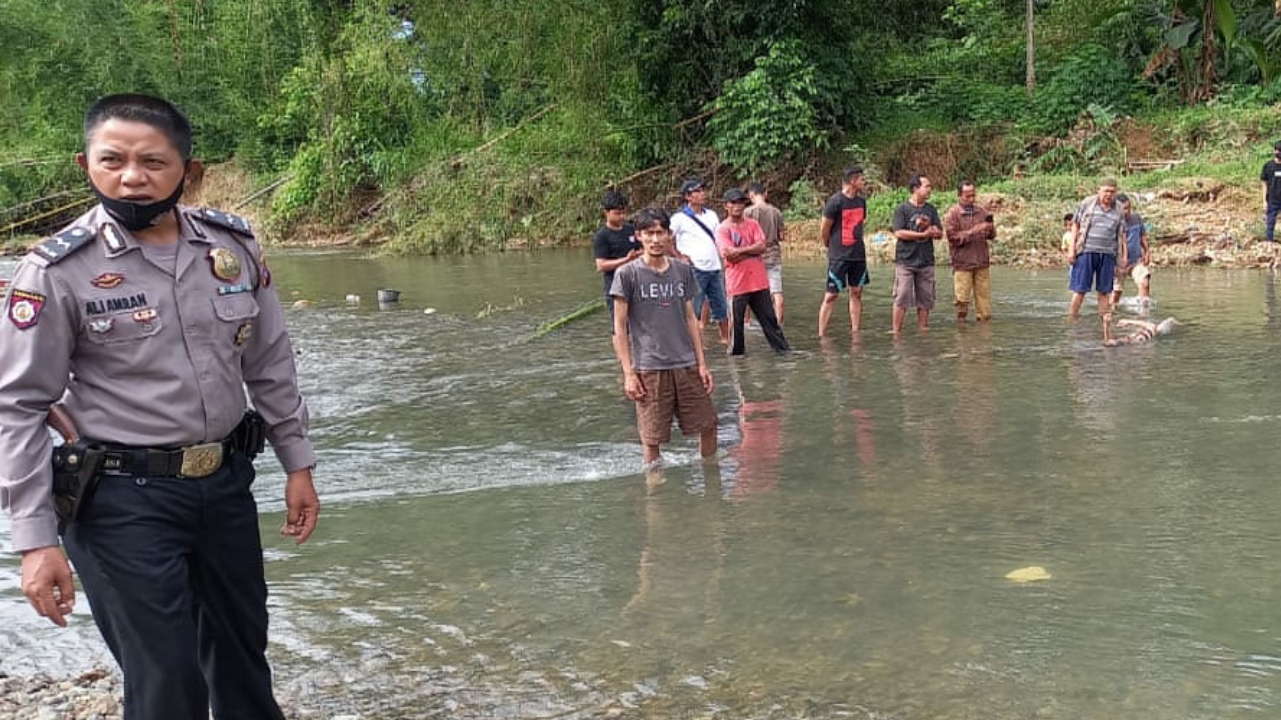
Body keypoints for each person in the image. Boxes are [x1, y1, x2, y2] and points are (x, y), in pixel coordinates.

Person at [0, 94, 319, 720]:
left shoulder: (231, 249)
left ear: (188, 171)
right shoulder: (57, 271)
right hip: (119, 500)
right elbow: (19, 406)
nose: (131, 177)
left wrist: (297, 462)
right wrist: (35, 541)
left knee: (241, 662)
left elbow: (270, 361)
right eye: (112, 160)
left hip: (225, 485)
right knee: (167, 677)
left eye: (153, 161)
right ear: (85, 163)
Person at [611, 206, 717, 465]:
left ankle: (711, 481)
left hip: (686, 363)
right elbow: (619, 328)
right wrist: (628, 374)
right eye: (649, 233)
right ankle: (656, 495)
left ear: (670, 235)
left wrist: (702, 363)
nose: (656, 239)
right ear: (639, 236)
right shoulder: (627, 274)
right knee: (652, 438)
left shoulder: (681, 271)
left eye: (661, 233)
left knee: (709, 424)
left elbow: (691, 318)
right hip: (650, 367)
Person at [715, 189, 790, 356]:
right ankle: (737, 362)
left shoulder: (753, 224)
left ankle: (784, 354)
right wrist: (751, 250)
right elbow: (729, 254)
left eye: (741, 202)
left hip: (758, 281)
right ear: (726, 206)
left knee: (771, 323)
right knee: (737, 329)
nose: (738, 206)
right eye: (733, 202)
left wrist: (740, 251)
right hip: (737, 284)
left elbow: (762, 247)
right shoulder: (722, 229)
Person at [669, 178, 730, 346]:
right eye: (697, 191)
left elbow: (718, 239)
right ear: (688, 196)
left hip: (714, 267)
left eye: (703, 190)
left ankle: (726, 341)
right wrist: (678, 256)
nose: (702, 194)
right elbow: (668, 238)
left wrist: (723, 259)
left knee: (721, 307)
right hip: (694, 269)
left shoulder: (711, 215)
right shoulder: (679, 218)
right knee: (693, 309)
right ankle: (694, 345)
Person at [1068, 179, 1127, 343]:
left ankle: (1104, 325)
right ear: (1099, 190)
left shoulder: (1119, 209)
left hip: (1108, 254)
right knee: (1080, 290)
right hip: (1086, 251)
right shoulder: (1087, 203)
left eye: (1112, 191)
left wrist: (1123, 257)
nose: (1109, 194)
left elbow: (1122, 235)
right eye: (1106, 191)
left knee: (1104, 292)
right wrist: (1071, 249)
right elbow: (1075, 226)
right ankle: (1071, 321)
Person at [817, 167, 871, 337]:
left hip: (857, 255)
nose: (864, 182)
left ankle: (855, 331)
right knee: (831, 295)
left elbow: (861, 224)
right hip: (839, 256)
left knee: (856, 292)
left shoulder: (861, 202)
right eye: (862, 179)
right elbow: (824, 228)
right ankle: (821, 334)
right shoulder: (835, 202)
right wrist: (830, 246)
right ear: (853, 181)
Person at [890, 175, 943, 334]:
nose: (929, 189)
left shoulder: (931, 209)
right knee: (902, 296)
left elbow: (939, 233)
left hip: (926, 261)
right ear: (915, 188)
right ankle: (896, 332)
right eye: (926, 186)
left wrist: (932, 230)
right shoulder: (902, 209)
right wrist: (922, 235)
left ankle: (923, 331)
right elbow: (899, 233)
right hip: (906, 261)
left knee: (925, 299)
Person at [943, 180, 997, 322]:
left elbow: (992, 236)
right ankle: (962, 335)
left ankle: (984, 336)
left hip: (982, 262)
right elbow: (953, 238)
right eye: (967, 196)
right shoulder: (952, 214)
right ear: (959, 195)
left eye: (973, 195)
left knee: (984, 306)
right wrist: (974, 231)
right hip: (962, 264)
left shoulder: (982, 211)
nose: (971, 199)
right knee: (961, 302)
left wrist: (990, 228)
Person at [592, 189, 641, 330]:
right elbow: (601, 265)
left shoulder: (630, 229)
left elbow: (641, 249)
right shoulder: (602, 236)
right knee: (620, 326)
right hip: (615, 286)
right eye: (617, 213)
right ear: (606, 213)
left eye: (623, 212)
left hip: (636, 283)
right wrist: (626, 260)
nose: (622, 217)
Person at [744, 182, 786, 326]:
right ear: (765, 194)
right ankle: (778, 324)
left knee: (748, 289)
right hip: (773, 255)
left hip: (754, 255)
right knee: (776, 292)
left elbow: (744, 236)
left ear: (751, 195)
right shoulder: (776, 212)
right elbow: (782, 236)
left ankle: (747, 322)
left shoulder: (748, 213)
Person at [1110, 193, 1151, 309]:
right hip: (1117, 264)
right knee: (1116, 294)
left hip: (1135, 261)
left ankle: (1144, 313)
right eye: (1124, 209)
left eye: (1129, 208)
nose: (1127, 211)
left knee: (1144, 282)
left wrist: (1147, 252)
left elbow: (1142, 236)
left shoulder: (1136, 218)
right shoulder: (1113, 224)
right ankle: (1111, 316)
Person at [1104, 317, 1179, 346]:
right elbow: (1151, 326)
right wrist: (1129, 321)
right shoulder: (1140, 338)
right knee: (1171, 320)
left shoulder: (1131, 338)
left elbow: (1108, 341)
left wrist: (1106, 326)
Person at [1260, 140, 1281, 242]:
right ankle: (1269, 243)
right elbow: (1264, 184)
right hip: (1272, 200)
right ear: (1275, 151)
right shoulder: (1268, 166)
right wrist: (1264, 201)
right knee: (1270, 223)